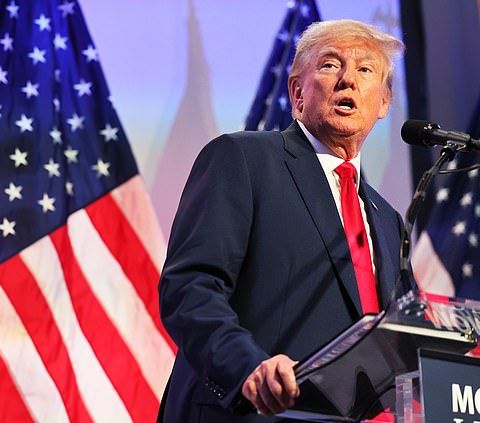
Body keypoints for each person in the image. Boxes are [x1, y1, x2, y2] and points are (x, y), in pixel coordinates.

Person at [157, 19, 412, 422]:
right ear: (297, 92)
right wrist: (247, 367)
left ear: (383, 102)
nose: (348, 80)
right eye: (330, 65)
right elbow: (189, 287)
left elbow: (401, 340)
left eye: (366, 70)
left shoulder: (388, 221)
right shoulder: (243, 159)